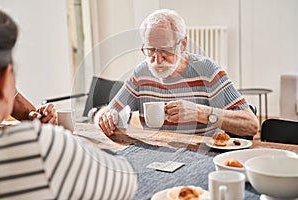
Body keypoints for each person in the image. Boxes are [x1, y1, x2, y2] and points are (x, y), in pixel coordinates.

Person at [0, 9, 137, 199]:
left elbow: (23, 109)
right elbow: (126, 179)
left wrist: (38, 118)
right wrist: (54, 140)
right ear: (6, 79)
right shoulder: (40, 147)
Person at [96, 9, 259, 137]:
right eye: (150, 50)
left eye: (165, 49)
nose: (157, 59)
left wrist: (200, 112)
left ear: (183, 45)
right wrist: (105, 116)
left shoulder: (207, 70)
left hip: (202, 155)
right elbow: (113, 110)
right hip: (155, 154)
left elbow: (251, 125)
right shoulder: (141, 73)